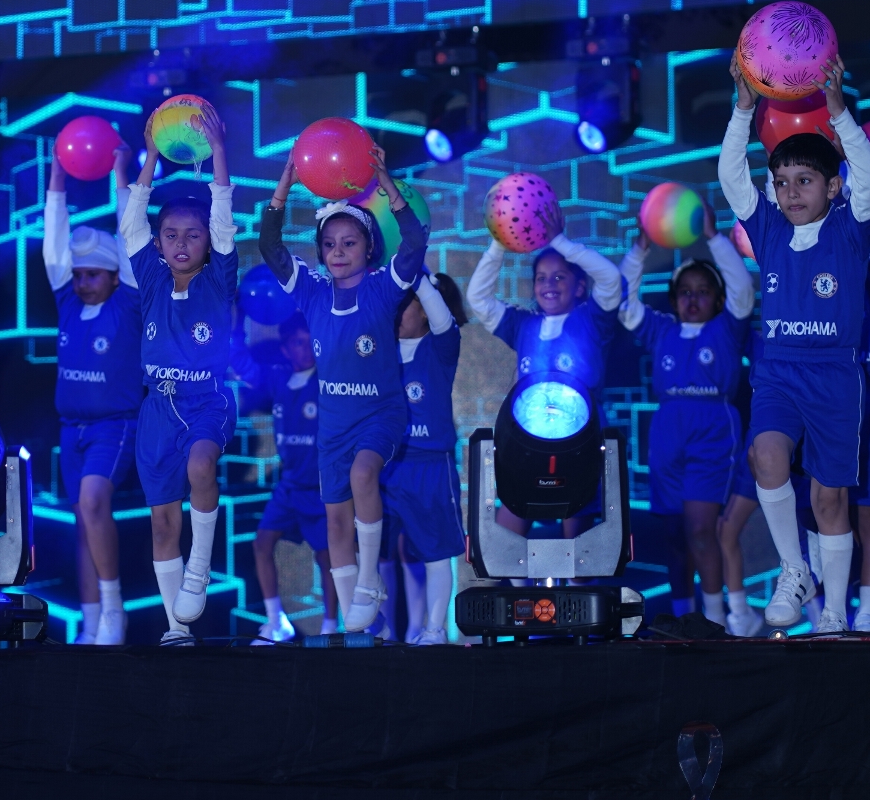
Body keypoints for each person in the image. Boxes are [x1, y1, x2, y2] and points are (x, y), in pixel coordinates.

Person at [718, 55, 870, 634]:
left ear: (832, 187)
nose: (790, 192)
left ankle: (834, 613)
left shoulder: (849, 229)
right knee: (766, 456)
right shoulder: (768, 230)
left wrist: (840, 114)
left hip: (836, 379)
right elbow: (731, 178)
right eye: (782, 182)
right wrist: (743, 110)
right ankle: (794, 569)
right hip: (779, 374)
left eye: (804, 181)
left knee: (829, 502)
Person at [260, 151, 426, 634]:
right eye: (329, 244)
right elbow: (270, 245)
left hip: (380, 416)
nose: (338, 251)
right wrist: (285, 186)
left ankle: (371, 580)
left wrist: (386, 184)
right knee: (335, 521)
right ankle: (357, 608)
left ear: (369, 249)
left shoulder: (383, 288)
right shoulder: (311, 291)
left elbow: (415, 242)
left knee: (362, 474)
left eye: (349, 242)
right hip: (332, 429)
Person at [120, 110, 235, 646]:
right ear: (160, 243)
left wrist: (219, 153)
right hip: (156, 413)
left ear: (208, 242)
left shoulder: (219, 279)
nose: (182, 243)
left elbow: (224, 215)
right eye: (171, 235)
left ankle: (201, 567)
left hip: (206, 402)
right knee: (163, 524)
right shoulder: (149, 277)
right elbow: (131, 224)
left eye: (193, 235)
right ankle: (175, 627)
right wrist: (149, 158)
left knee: (201, 464)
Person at [618, 223, 755, 628]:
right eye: (685, 292)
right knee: (677, 538)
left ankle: (714, 622)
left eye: (703, 291)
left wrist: (714, 239)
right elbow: (624, 304)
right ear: (674, 298)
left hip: (712, 433)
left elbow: (743, 290)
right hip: (667, 435)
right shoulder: (662, 329)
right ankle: (683, 622)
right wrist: (639, 249)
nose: (693, 299)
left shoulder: (726, 329)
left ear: (718, 299)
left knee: (700, 530)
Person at [466, 195, 623, 541]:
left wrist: (561, 242)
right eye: (541, 278)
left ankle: (576, 579)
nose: (549, 285)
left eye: (559, 277)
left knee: (577, 545)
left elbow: (611, 279)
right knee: (503, 542)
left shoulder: (591, 320)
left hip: (579, 443)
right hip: (527, 443)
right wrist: (499, 243)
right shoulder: (523, 325)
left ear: (579, 287)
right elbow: (478, 299)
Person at [44, 148, 141, 646]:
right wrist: (57, 178)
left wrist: (121, 175)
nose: (82, 282)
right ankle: (89, 622)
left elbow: (130, 240)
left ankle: (114, 612)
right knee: (84, 522)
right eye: (78, 274)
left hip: (113, 426)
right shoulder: (66, 302)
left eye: (93, 275)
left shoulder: (127, 304)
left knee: (93, 501)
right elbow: (53, 245)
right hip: (71, 430)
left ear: (114, 275)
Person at [234, 313, 338, 641]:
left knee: (327, 557)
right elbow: (243, 365)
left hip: (320, 489)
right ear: (285, 348)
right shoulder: (278, 379)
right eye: (298, 343)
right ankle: (277, 621)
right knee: (262, 544)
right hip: (290, 486)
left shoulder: (327, 382)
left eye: (310, 343)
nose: (305, 349)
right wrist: (235, 322)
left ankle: (330, 626)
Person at [385, 271, 467, 645]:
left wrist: (417, 275)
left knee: (436, 553)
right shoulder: (380, 350)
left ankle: (435, 630)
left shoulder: (440, 349)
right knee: (375, 552)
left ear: (424, 311)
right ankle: (379, 630)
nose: (397, 312)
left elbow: (444, 321)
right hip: (386, 466)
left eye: (406, 305)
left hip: (430, 467)